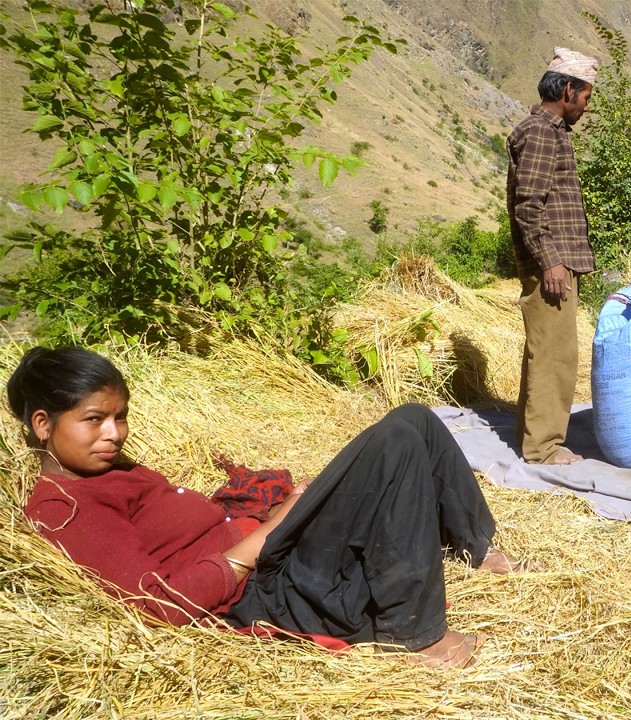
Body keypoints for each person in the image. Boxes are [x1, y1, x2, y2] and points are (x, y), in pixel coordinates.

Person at [8, 346, 531, 668]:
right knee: (393, 443)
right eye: (95, 419)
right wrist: (256, 542)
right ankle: (414, 635)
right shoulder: (66, 509)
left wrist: (275, 508)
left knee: (413, 418)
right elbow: (157, 606)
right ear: (42, 424)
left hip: (267, 545)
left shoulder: (111, 471)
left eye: (119, 417)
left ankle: (474, 543)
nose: (114, 433)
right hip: (263, 589)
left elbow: (188, 526)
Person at [506, 47, 599, 465]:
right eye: (586, 98)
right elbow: (529, 205)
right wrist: (551, 261)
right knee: (553, 353)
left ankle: (535, 434)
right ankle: (542, 448)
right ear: (567, 89)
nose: (586, 107)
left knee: (548, 350)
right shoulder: (541, 132)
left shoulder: (552, 131)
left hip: (557, 262)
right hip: (551, 266)